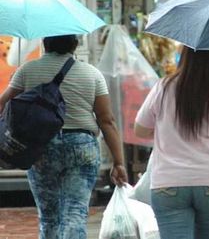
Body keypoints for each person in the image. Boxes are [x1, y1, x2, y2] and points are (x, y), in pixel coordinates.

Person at [0, 35, 128, 239]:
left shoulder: (27, 70)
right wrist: (119, 162)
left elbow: (3, 104)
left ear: (45, 44)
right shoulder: (91, 73)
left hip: (41, 147)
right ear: (74, 45)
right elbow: (107, 120)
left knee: (49, 217)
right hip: (81, 146)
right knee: (75, 213)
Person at [134, 46, 209, 239]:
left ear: (186, 55)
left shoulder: (164, 86)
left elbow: (140, 129)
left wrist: (165, 131)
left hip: (168, 181)